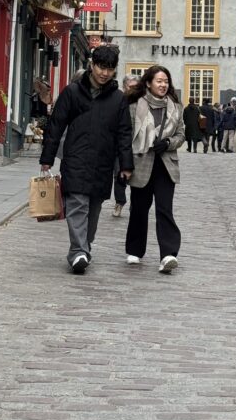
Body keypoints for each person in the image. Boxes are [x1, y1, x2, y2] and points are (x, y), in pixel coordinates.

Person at [40, 45, 133, 274]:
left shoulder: (118, 99)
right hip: (76, 158)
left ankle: (83, 247)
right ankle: (79, 251)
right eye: (101, 67)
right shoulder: (72, 92)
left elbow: (124, 133)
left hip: (103, 161)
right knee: (77, 205)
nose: (104, 73)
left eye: (110, 69)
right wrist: (47, 157)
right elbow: (56, 125)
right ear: (92, 65)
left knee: (94, 209)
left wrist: (126, 164)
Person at [125, 65, 186, 274]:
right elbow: (126, 135)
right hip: (141, 162)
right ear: (149, 83)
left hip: (165, 165)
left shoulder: (176, 107)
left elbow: (181, 135)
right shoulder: (135, 106)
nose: (163, 85)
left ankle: (168, 254)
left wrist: (168, 142)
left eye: (166, 81)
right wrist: (123, 165)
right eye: (159, 81)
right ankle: (135, 249)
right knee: (139, 210)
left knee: (164, 209)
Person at [112, 74, 140, 218]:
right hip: (120, 146)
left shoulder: (143, 103)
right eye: (131, 87)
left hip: (138, 147)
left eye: (136, 87)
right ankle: (120, 202)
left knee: (138, 178)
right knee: (119, 175)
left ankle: (136, 206)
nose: (133, 90)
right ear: (124, 86)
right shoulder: (118, 101)